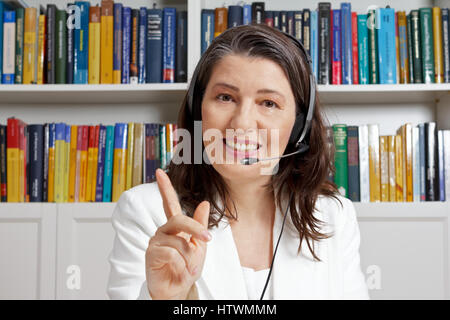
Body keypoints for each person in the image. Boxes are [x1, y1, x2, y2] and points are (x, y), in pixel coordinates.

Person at [107, 24, 370, 300]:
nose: (241, 123)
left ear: (298, 127)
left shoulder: (333, 216)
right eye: (225, 97)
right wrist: (165, 299)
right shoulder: (145, 211)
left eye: (268, 103)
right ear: (199, 109)